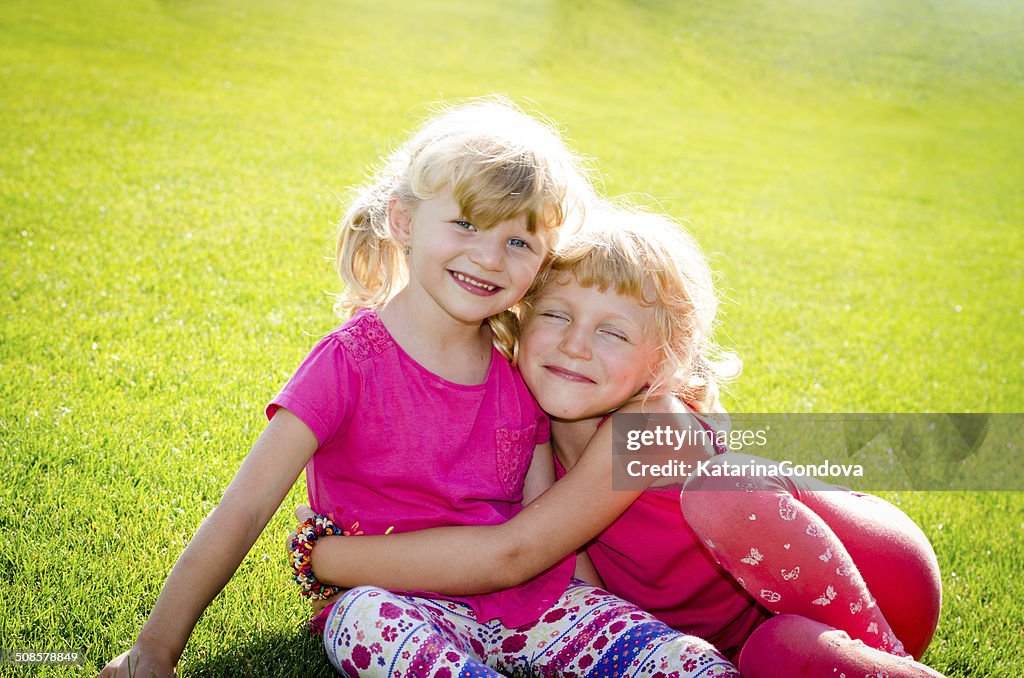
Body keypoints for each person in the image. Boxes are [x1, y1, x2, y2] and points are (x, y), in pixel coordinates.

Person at [101, 100, 737, 678]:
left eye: (518, 241)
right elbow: (242, 510)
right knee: (364, 622)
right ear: (403, 221)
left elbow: (546, 531)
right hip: (395, 606)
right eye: (466, 225)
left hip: (534, 604)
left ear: (541, 265)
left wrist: (605, 620)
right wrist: (155, 651)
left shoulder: (520, 376)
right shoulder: (347, 363)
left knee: (690, 664)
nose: (489, 258)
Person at [297, 205, 945, 677]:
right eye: (556, 315)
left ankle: (887, 658)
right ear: (519, 323)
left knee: (727, 490)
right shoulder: (523, 417)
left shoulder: (650, 427)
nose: (576, 345)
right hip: (772, 636)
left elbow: (515, 551)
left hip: (875, 581)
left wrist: (327, 557)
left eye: (613, 332)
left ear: (661, 359)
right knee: (771, 656)